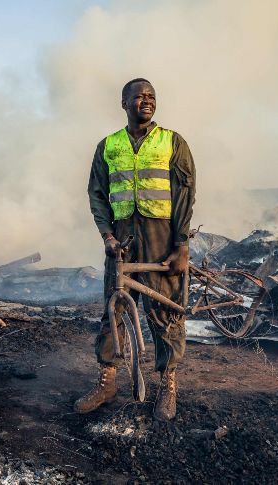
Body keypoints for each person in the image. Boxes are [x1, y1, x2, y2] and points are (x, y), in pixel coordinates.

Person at [75, 78, 196, 421]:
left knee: (165, 312)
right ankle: (107, 381)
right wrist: (107, 236)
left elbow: (185, 194)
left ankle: (167, 386)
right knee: (113, 308)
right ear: (124, 103)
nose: (147, 101)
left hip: (161, 237)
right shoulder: (108, 145)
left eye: (151, 96)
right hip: (122, 239)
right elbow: (97, 194)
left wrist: (181, 245)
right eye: (139, 96)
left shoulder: (172, 141)